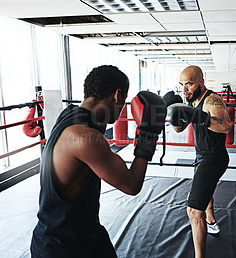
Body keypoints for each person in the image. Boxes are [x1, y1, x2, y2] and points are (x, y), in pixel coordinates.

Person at [30, 65, 166, 257]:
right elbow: (132, 184)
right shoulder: (85, 138)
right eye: (124, 100)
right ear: (117, 95)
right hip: (64, 248)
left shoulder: (70, 115)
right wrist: (149, 132)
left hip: (84, 234)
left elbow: (99, 123)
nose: (122, 108)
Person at [165, 65, 232, 258]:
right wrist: (173, 114)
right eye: (182, 85)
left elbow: (226, 126)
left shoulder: (213, 100)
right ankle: (211, 222)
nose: (185, 89)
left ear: (201, 82)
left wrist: (198, 116)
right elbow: (180, 129)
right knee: (205, 191)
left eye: (189, 84)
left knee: (194, 211)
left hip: (214, 159)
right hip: (201, 156)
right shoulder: (191, 101)